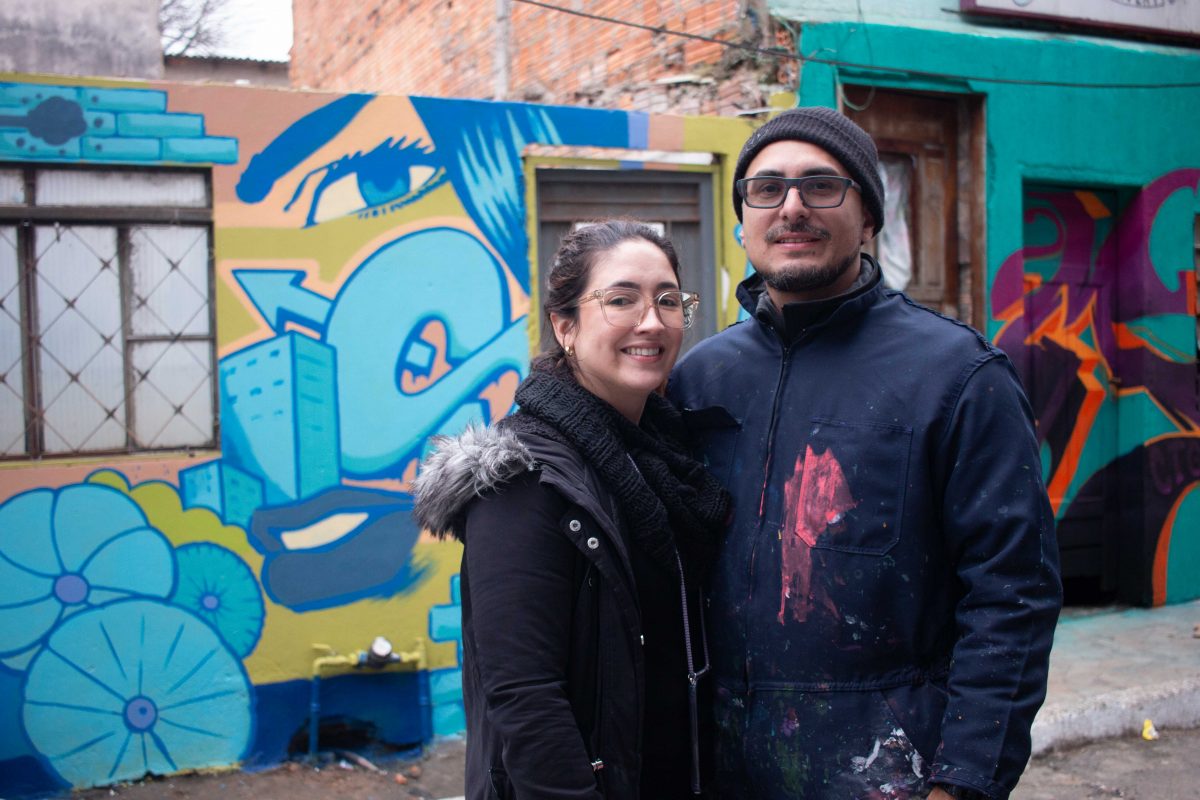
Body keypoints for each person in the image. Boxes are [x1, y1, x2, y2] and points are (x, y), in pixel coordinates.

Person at [668, 107, 1062, 800]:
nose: (791, 207)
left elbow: (1013, 596)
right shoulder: (700, 380)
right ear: (743, 219)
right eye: (766, 188)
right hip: (716, 768)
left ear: (870, 216)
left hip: (888, 776)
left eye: (822, 186)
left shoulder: (957, 377)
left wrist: (961, 780)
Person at [412, 220, 731, 799]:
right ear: (565, 326)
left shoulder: (667, 458)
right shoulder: (525, 479)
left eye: (667, 300)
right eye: (621, 300)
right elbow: (525, 696)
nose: (652, 321)